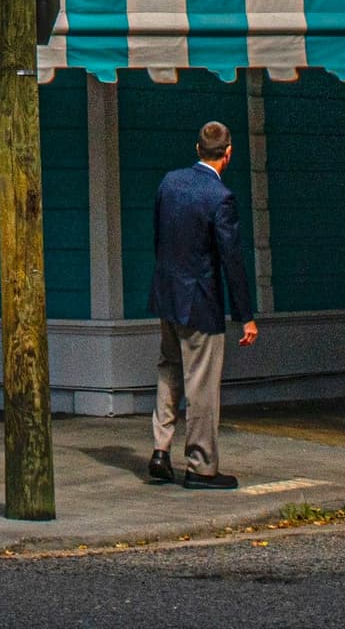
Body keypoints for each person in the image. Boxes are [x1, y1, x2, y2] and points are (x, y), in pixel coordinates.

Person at [147, 119, 258, 489]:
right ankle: (201, 465)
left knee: (169, 369)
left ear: (198, 150)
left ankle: (160, 450)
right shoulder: (220, 198)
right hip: (200, 303)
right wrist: (246, 317)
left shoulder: (169, 183)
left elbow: (159, 238)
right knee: (201, 385)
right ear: (228, 154)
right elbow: (231, 261)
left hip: (167, 294)